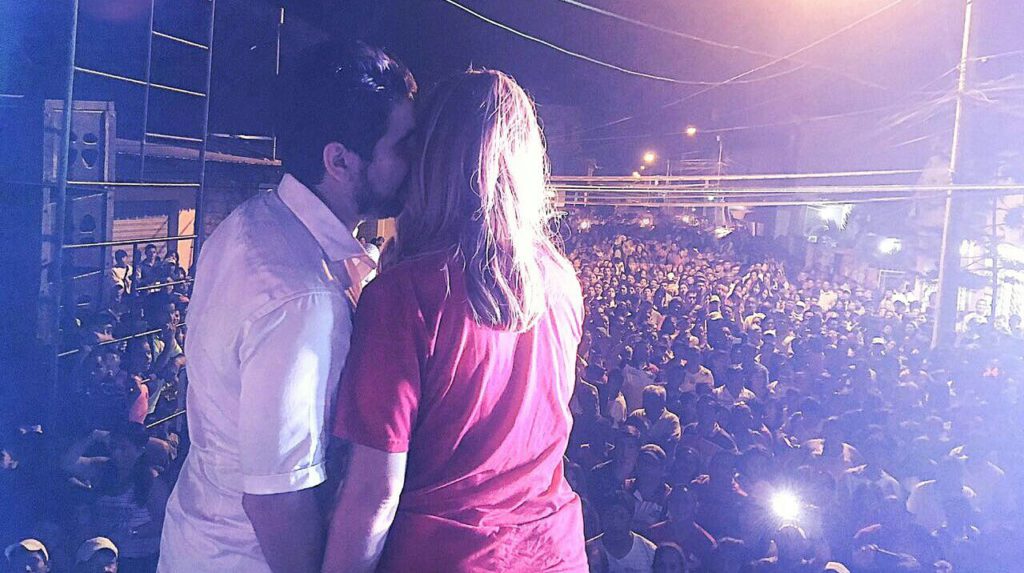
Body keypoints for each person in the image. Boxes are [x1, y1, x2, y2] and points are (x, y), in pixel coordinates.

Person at [157, 41, 416, 573]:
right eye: (402, 146)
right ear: (339, 160)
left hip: (203, 539)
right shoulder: (301, 296)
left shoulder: (255, 223)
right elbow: (278, 499)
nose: (415, 163)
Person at [324, 70, 585, 572]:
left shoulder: (403, 296)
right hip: (553, 552)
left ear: (430, 158)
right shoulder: (560, 279)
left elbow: (373, 495)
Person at [63, 423, 169, 573]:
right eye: (114, 447)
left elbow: (163, 521)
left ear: (140, 451)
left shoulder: (152, 481)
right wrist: (93, 437)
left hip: (141, 560)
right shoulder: (101, 468)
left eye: (123, 448)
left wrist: (132, 532)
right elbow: (68, 463)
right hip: (105, 557)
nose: (116, 453)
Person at [586, 492, 657, 573]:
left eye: (621, 516)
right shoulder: (587, 550)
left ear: (630, 519)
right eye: (610, 516)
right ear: (602, 518)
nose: (615, 523)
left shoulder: (650, 552)